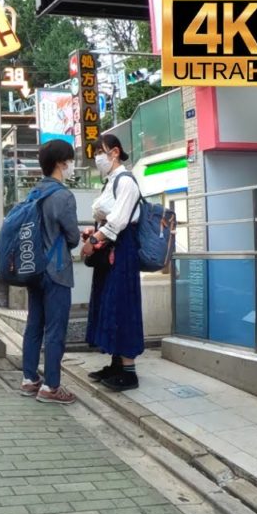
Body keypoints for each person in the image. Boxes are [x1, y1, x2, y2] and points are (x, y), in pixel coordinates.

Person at [18, 140, 81, 404]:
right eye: (70, 160)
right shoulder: (63, 196)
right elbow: (73, 237)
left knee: (34, 324)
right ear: (60, 163)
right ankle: (51, 387)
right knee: (55, 329)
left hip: (34, 269)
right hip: (56, 271)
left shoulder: (34, 193)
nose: (71, 165)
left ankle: (29, 379)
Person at [82, 134, 144, 392]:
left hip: (123, 251)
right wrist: (95, 232)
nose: (98, 157)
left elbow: (118, 221)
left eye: (101, 151)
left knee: (122, 305)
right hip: (112, 251)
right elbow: (108, 220)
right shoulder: (111, 182)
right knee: (109, 304)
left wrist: (93, 240)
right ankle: (117, 364)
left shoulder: (126, 181)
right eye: (96, 152)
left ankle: (129, 372)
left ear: (115, 152)